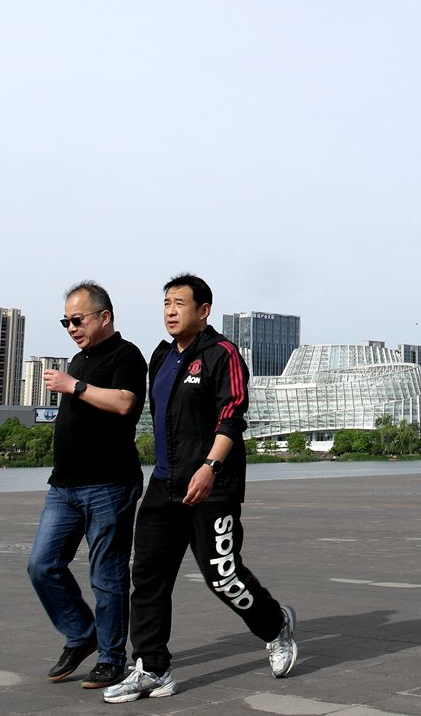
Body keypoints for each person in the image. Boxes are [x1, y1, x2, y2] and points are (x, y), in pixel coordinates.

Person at [105, 275, 298, 704]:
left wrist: (210, 466)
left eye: (179, 303)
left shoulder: (222, 353)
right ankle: (153, 668)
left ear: (204, 310)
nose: (170, 311)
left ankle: (275, 625)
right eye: (166, 303)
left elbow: (232, 416)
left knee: (222, 576)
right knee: (148, 577)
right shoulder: (161, 356)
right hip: (164, 485)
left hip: (212, 486)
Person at [28, 282, 148, 691]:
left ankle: (111, 658)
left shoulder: (127, 355)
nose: (71, 328)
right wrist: (72, 380)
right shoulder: (78, 360)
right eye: (65, 322)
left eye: (77, 320)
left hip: (109, 484)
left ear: (104, 317)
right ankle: (82, 634)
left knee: (107, 575)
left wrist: (74, 386)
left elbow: (125, 403)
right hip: (64, 486)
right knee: (42, 565)